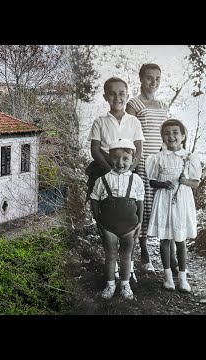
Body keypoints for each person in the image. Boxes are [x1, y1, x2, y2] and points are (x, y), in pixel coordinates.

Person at [87, 76, 145, 281]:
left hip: (128, 172)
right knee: (107, 217)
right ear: (105, 97)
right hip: (104, 172)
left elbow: (138, 151)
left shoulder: (134, 121)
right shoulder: (100, 121)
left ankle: (128, 267)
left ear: (127, 96)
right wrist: (110, 170)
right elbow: (95, 150)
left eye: (121, 93)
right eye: (112, 93)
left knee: (130, 217)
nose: (117, 97)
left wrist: (128, 172)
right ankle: (112, 265)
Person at [126, 63, 176, 273]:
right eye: (149, 78)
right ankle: (144, 253)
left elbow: (167, 137)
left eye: (157, 78)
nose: (153, 83)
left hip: (161, 162)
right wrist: (134, 164)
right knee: (144, 208)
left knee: (165, 206)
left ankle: (172, 256)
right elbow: (129, 136)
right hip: (143, 161)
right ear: (140, 78)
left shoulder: (163, 105)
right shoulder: (133, 104)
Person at [146, 119, 201, 292]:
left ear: (183, 136)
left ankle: (183, 278)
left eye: (175, 132)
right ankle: (168, 277)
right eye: (167, 133)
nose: (171, 136)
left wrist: (184, 181)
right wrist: (162, 184)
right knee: (164, 240)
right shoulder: (157, 158)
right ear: (162, 136)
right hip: (163, 200)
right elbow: (152, 181)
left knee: (180, 240)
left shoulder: (189, 157)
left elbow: (196, 183)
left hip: (181, 202)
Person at [90, 138, 144, 300]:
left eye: (125, 159)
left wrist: (140, 222)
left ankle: (125, 284)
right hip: (108, 226)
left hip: (130, 225)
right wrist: (98, 222)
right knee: (111, 255)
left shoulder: (136, 180)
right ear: (109, 158)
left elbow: (140, 201)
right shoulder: (103, 180)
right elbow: (94, 199)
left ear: (132, 160)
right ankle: (110, 284)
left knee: (126, 255)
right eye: (116, 158)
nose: (120, 162)